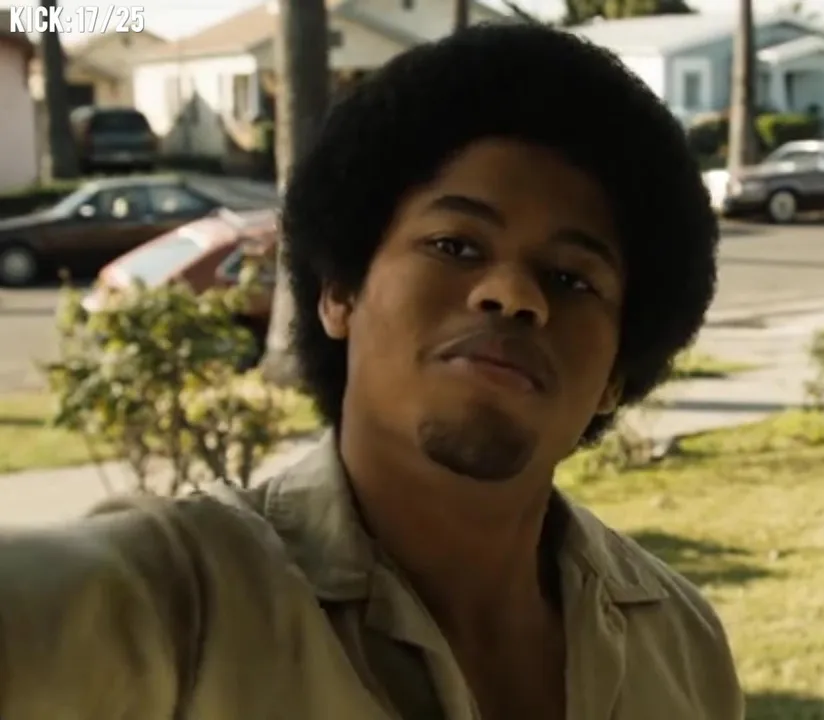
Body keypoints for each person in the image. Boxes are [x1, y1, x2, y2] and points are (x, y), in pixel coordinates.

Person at [0, 24, 741, 719]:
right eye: (455, 246)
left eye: (573, 279)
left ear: (616, 374)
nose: (513, 294)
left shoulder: (680, 645)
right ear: (340, 293)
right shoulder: (180, 606)